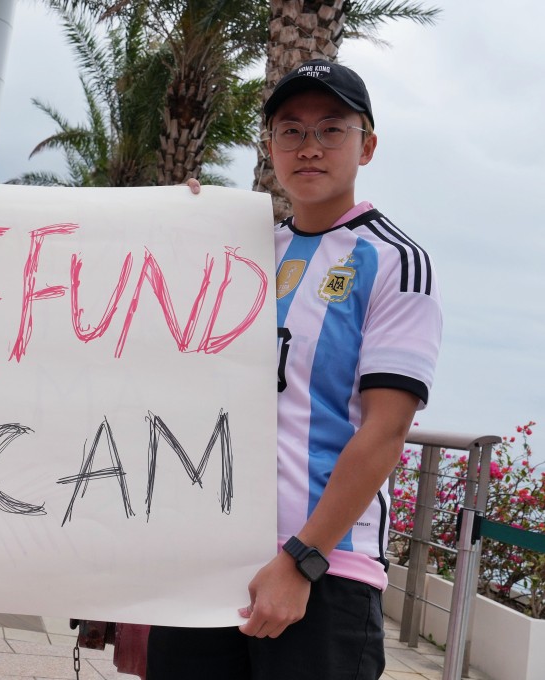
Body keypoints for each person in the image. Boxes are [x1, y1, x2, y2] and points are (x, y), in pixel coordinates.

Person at [150, 60, 443, 679]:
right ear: (270, 146)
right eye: (290, 130)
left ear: (367, 143)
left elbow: (385, 431)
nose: (309, 148)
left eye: (331, 129)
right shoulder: (245, 249)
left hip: (325, 573)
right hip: (211, 562)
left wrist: (300, 560)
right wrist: (183, 224)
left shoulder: (396, 262)